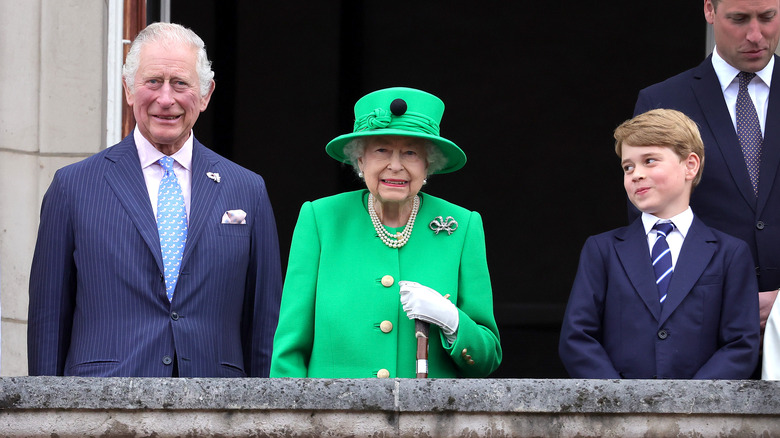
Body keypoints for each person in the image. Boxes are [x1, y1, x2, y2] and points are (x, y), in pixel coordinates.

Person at [27, 22, 282, 377]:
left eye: (180, 83)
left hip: (216, 409)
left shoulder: (247, 189)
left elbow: (264, 323)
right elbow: (47, 320)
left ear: (206, 94)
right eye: (153, 82)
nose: (166, 98)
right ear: (128, 89)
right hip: (101, 406)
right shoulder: (72, 186)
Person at [270, 87, 502, 378]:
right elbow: (289, 351)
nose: (395, 165)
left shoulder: (462, 226)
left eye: (410, 152)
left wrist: (453, 323)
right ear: (360, 160)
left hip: (428, 420)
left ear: (429, 163)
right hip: (334, 418)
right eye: (381, 150)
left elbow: (486, 359)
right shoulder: (320, 220)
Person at [559, 109, 759, 379]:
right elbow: (577, 337)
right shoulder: (602, 249)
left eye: (649, 160)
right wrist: (620, 401)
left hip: (698, 415)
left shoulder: (730, 253)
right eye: (628, 167)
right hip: (619, 413)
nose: (636, 174)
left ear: (690, 165)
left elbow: (740, 344)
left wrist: (690, 402)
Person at [633, 0, 780, 349]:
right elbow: (652, 227)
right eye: (739, 19)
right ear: (709, 11)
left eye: (768, 17)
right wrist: (725, 301)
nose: (756, 34)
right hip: (702, 333)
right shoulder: (663, 101)